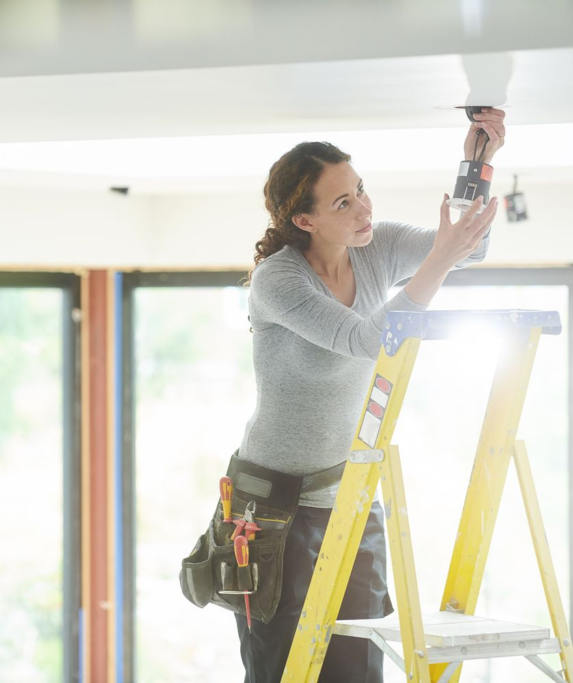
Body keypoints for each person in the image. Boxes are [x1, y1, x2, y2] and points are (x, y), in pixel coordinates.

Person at [234, 109, 506, 682]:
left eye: (360, 190)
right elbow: (367, 340)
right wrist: (436, 261)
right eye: (342, 204)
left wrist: (476, 167)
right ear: (303, 219)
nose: (364, 209)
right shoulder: (278, 281)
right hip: (274, 504)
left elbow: (468, 249)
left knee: (358, 665)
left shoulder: (375, 248)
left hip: (351, 492)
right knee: (284, 666)